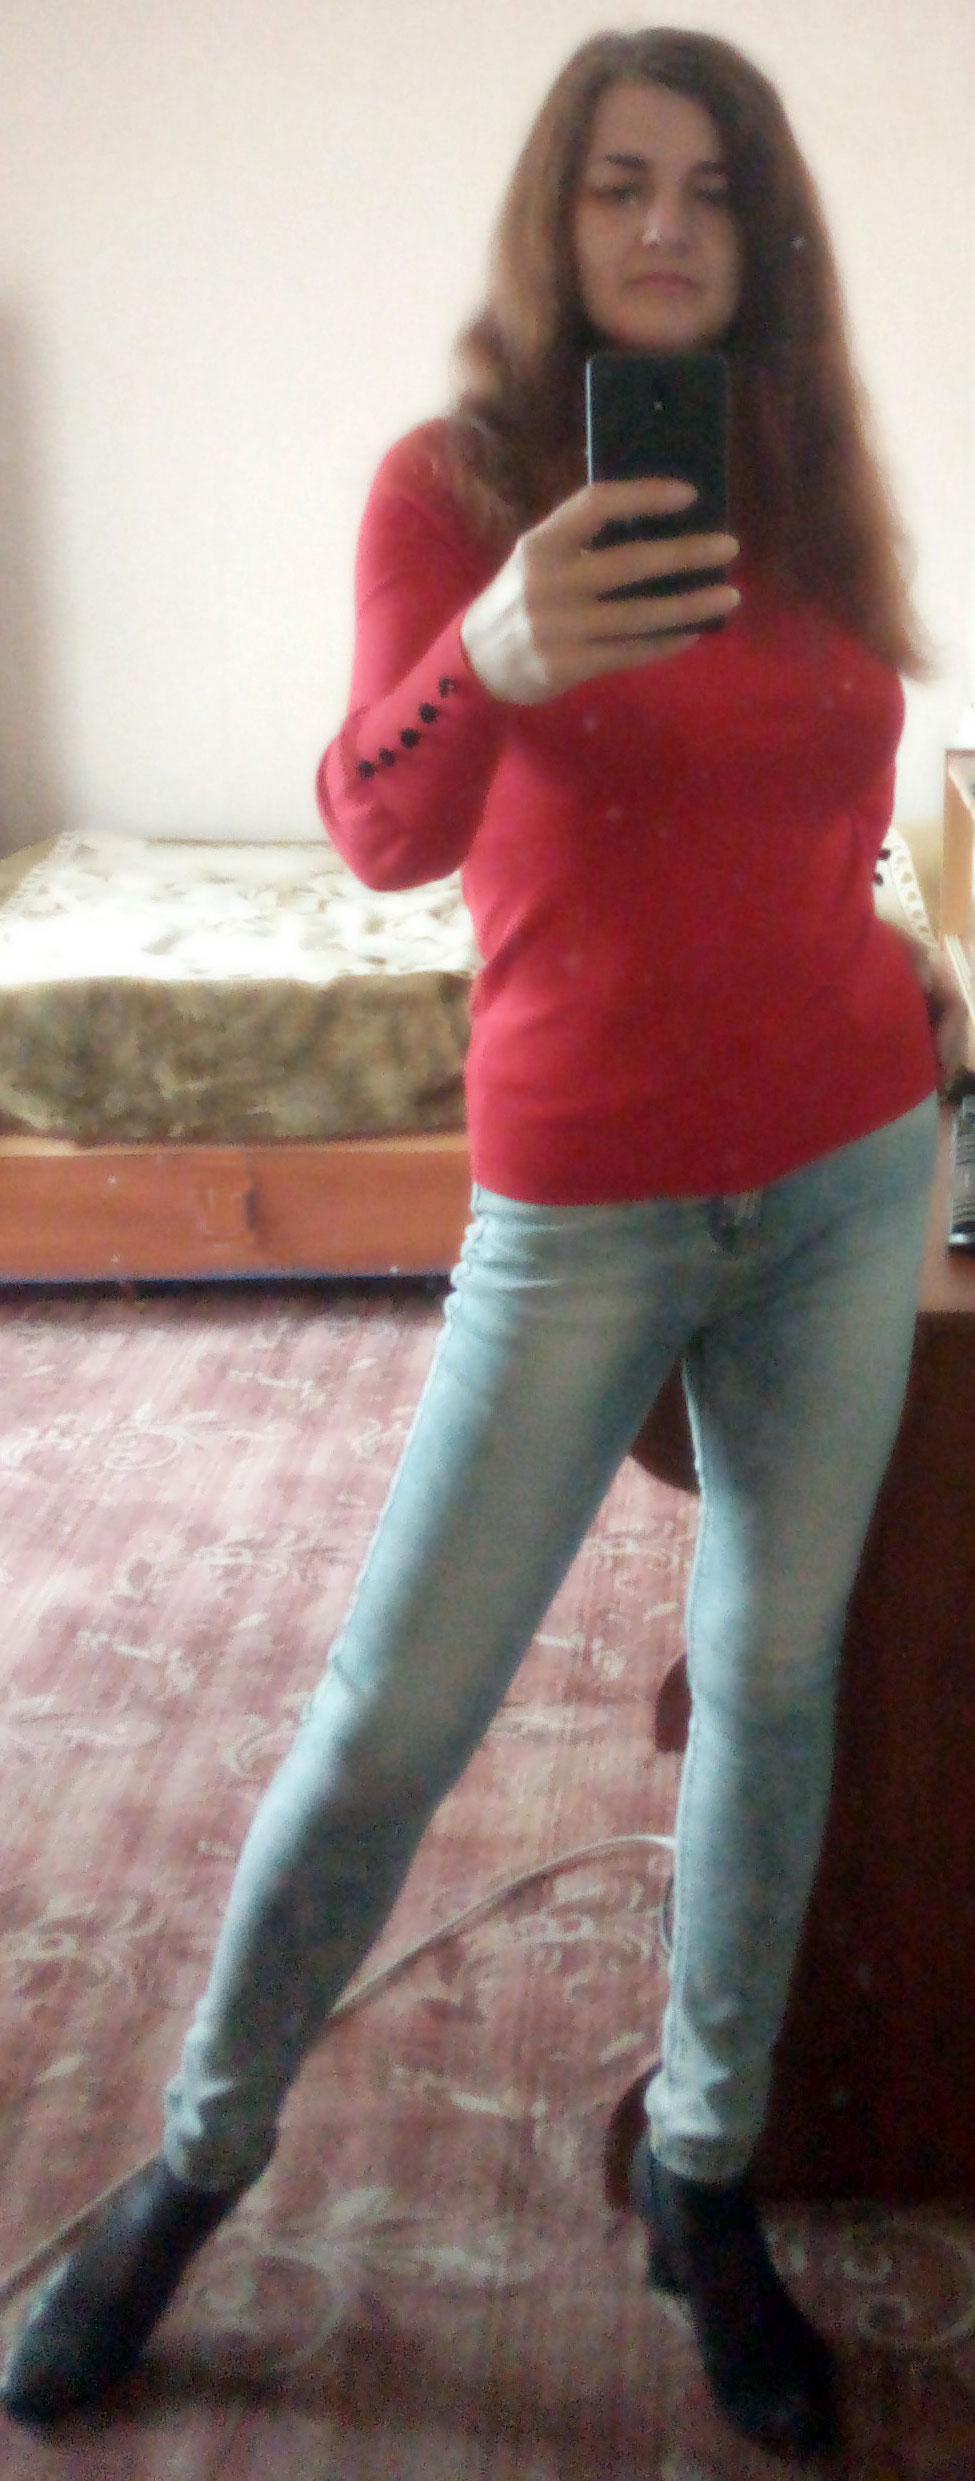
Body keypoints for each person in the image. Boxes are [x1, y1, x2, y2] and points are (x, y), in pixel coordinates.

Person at [2, 27, 955, 2461]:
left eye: (710, 190)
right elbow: (371, 830)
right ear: (555, 215)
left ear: (762, 233)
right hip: (580, 1202)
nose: (662, 227)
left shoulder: (805, 474)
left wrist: (903, 960)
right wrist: (492, 653)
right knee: (388, 1718)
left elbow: (826, 811)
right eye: (618, 183)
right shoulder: (448, 492)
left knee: (769, 1680)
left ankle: (701, 2172)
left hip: (847, 1164)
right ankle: (192, 2167)